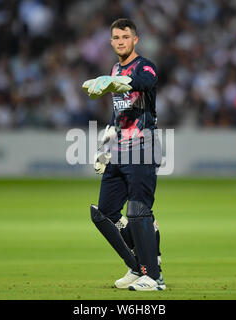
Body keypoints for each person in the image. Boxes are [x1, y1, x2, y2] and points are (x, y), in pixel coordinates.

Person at [82, 18, 165, 291]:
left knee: (139, 210)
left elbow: (144, 82)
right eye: (116, 37)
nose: (120, 41)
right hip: (120, 149)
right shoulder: (115, 68)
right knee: (104, 212)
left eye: (125, 37)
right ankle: (137, 264)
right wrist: (107, 138)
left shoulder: (145, 66)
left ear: (135, 40)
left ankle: (154, 276)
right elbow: (118, 112)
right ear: (111, 41)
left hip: (143, 145)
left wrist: (116, 82)